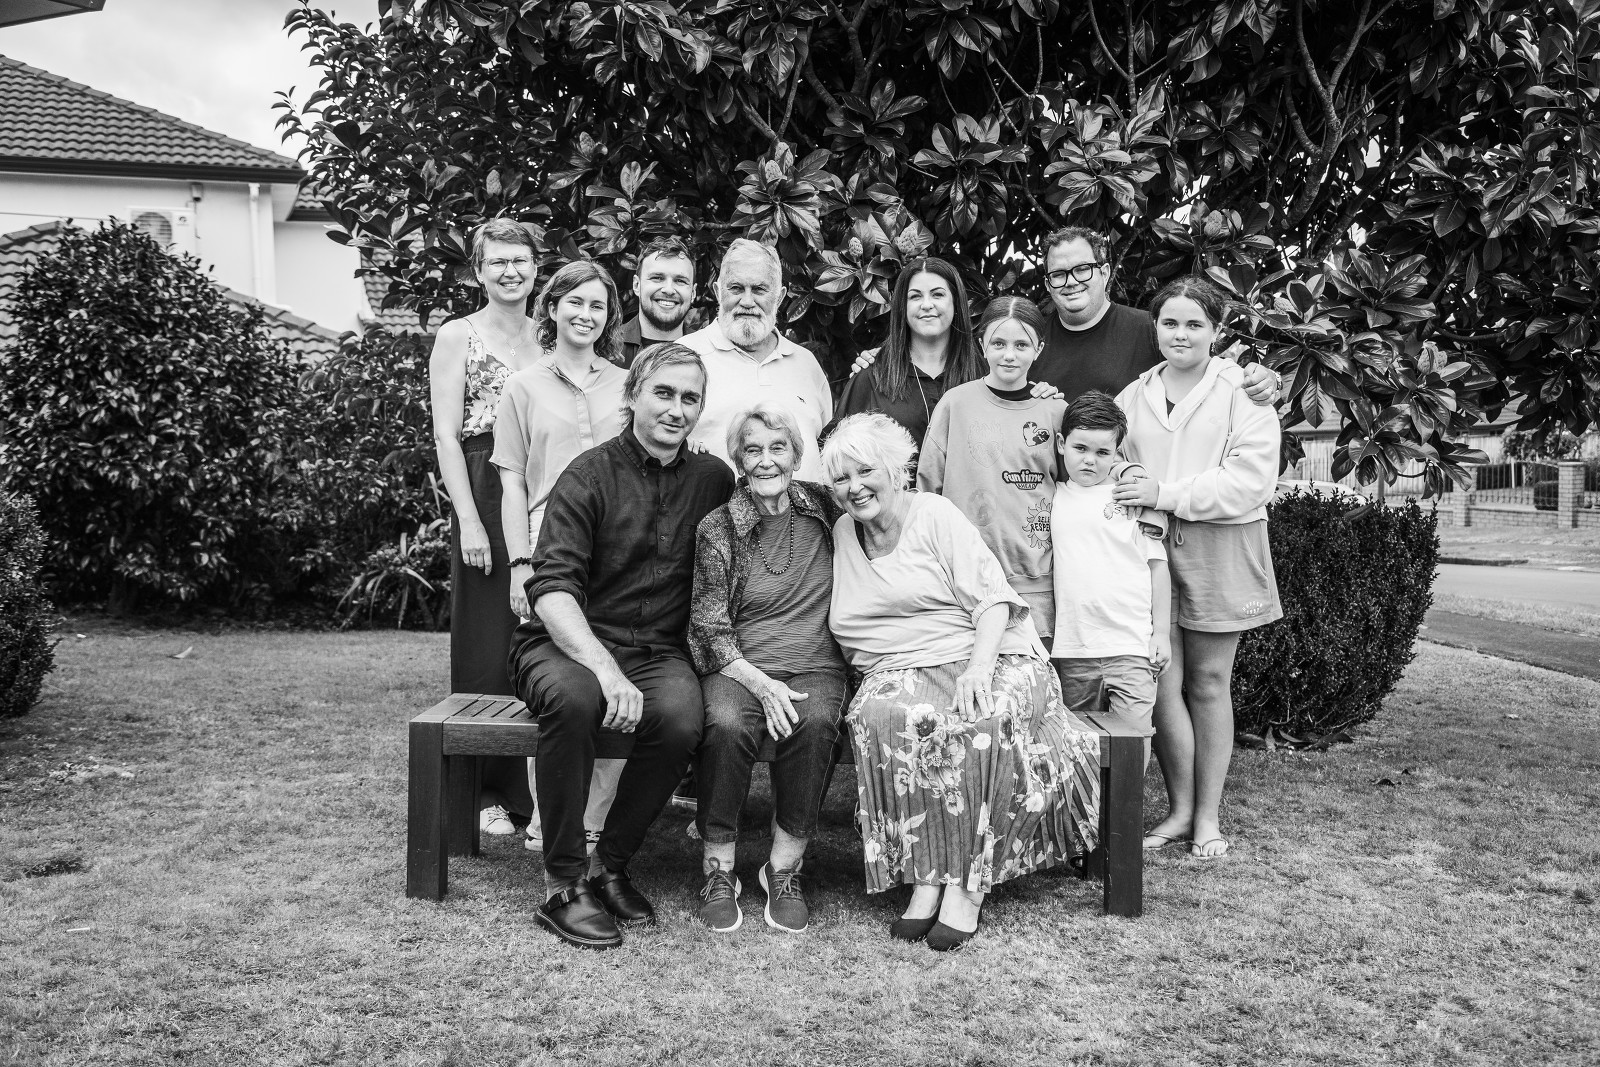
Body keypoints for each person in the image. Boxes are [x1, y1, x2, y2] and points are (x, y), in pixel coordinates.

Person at [823, 413, 1102, 952]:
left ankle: (967, 887)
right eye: (842, 478)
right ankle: (926, 876)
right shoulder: (842, 533)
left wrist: (978, 667)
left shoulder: (933, 514)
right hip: (901, 666)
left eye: (866, 471)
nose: (855, 487)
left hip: (993, 652)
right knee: (882, 716)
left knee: (982, 720)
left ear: (896, 470)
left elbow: (993, 601)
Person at [510, 342, 735, 949]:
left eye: (690, 398)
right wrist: (607, 671)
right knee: (576, 701)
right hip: (564, 643)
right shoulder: (587, 474)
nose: (676, 409)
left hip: (657, 649)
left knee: (682, 718)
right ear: (632, 395)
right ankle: (563, 884)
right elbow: (551, 589)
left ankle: (608, 866)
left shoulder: (713, 479)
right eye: (663, 393)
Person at [1111, 276, 1283, 861]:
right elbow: (1116, 463)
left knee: (1209, 682)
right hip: (1150, 546)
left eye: (1194, 324)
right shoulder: (1133, 396)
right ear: (1155, 328)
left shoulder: (1243, 391)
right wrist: (1134, 484)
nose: (1180, 334)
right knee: (1161, 682)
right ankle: (1180, 810)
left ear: (1216, 330)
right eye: (1169, 322)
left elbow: (1249, 482)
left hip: (1221, 544)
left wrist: (1163, 492)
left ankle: (1208, 816)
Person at [686, 403, 848, 934]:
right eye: (752, 450)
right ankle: (718, 868)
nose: (766, 460)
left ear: (797, 457)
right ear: (738, 459)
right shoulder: (718, 527)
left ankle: (783, 869)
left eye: (778, 448)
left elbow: (886, 503)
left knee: (816, 722)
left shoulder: (827, 507)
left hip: (816, 662)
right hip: (739, 665)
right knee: (727, 724)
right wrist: (761, 684)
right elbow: (708, 625)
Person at [492, 259, 629, 855]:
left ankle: (595, 820)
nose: (586, 314)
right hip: (549, 544)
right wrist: (520, 564)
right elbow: (512, 482)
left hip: (618, 547)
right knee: (562, 681)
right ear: (552, 307)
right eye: (575, 302)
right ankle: (549, 821)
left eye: (597, 305)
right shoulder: (522, 386)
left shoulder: (628, 384)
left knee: (616, 665)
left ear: (609, 316)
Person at [428, 217, 541, 836]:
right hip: (482, 484)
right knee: (486, 637)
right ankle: (488, 793)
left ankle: (545, 787)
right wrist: (468, 519)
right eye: (497, 261)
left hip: (543, 484)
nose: (510, 271)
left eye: (520, 260)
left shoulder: (551, 333)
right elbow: (446, 436)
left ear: (535, 268)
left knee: (544, 625)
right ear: (478, 271)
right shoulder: (458, 335)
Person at [918, 297, 1066, 648]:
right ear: (982, 344)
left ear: (1039, 349)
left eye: (1021, 345)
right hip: (964, 579)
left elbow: (1075, 487)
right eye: (998, 343)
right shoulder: (955, 403)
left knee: (1034, 673)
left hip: (1036, 581)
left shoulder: (1055, 411)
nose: (1009, 355)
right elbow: (926, 491)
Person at [1048, 391, 1172, 762]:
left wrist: (1161, 634)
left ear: (1117, 453)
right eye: (1080, 448)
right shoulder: (1052, 497)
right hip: (1074, 649)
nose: (1090, 460)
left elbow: (1157, 567)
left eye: (1103, 452)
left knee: (1134, 745)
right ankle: (1087, 804)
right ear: (1061, 443)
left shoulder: (1130, 499)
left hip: (1131, 646)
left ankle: (1125, 804)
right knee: (1077, 748)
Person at [1035, 225, 1280, 404]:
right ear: (1047, 284)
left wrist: (1268, 380)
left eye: (1082, 269)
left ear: (1105, 272)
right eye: (1058, 274)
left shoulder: (1153, 330)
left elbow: (1214, 380)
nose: (1071, 281)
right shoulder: (1029, 340)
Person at [680, 239, 833, 481]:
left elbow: (828, 451)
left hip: (807, 507)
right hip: (711, 506)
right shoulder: (683, 357)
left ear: (779, 297)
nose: (747, 301)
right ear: (718, 292)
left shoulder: (806, 364)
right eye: (736, 288)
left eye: (760, 290)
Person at [834, 257, 985, 462]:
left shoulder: (985, 377)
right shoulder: (872, 378)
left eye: (938, 294)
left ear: (956, 303)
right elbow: (839, 458)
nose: (927, 305)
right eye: (915, 296)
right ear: (902, 308)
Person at [619, 236, 695, 367]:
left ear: (693, 292)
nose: (669, 290)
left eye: (680, 281)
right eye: (657, 278)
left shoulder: (708, 354)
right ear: (636, 285)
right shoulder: (607, 348)